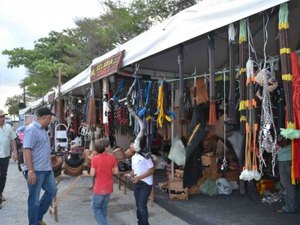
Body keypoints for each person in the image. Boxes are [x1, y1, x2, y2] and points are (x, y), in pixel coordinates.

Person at [22, 107, 57, 225]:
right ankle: (34, 222)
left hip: (46, 169)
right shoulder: (31, 129)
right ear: (44, 117)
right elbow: (27, 150)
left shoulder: (42, 130)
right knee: (34, 200)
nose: (50, 120)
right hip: (36, 170)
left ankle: (37, 218)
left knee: (52, 191)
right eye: (49, 118)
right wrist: (31, 171)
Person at [90, 137, 119, 225]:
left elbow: (92, 174)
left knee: (95, 209)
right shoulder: (112, 158)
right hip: (108, 187)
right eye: (109, 145)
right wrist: (109, 170)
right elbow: (116, 172)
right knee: (103, 209)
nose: (110, 147)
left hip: (99, 189)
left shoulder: (94, 159)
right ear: (105, 147)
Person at [126, 137, 154, 225]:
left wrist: (139, 177)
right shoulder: (134, 157)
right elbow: (135, 170)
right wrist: (130, 174)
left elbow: (151, 170)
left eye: (133, 143)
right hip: (137, 183)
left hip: (146, 184)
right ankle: (140, 223)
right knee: (138, 206)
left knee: (141, 206)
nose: (131, 145)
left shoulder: (146, 156)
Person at [0, 109, 18, 209]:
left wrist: (15, 153)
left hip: (5, 156)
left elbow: (12, 141)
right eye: (1, 117)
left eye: (3, 116)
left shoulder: (8, 127)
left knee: (3, 176)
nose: (2, 118)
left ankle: (0, 193)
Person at [276, 137, 298, 213]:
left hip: (284, 159)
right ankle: (291, 205)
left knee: (287, 185)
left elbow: (284, 143)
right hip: (291, 158)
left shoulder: (285, 131)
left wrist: (276, 144)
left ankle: (289, 207)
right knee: (291, 184)